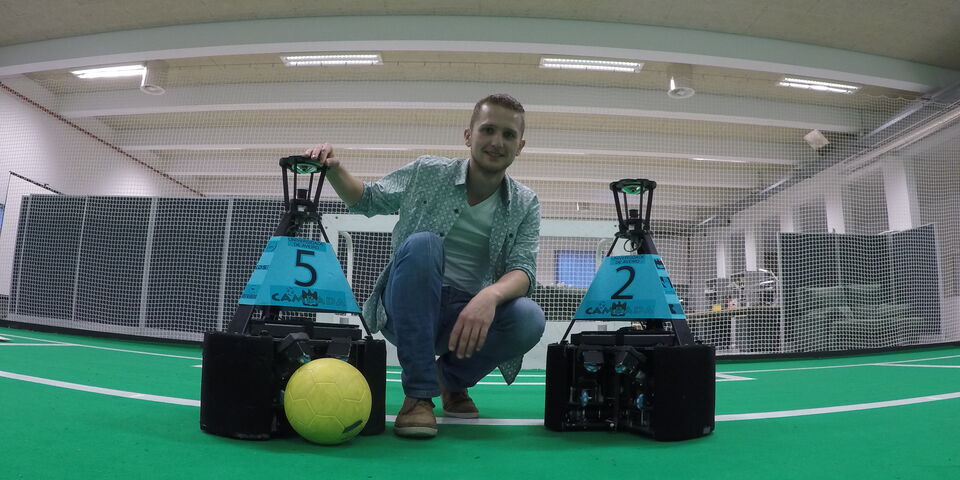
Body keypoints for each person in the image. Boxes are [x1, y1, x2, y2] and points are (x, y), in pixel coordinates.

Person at [304, 93, 545, 439]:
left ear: (520, 146)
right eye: (488, 130)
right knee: (423, 243)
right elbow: (368, 198)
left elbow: (524, 269)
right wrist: (335, 168)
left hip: (466, 317)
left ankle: (451, 383)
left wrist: (489, 297)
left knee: (529, 318)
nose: (497, 142)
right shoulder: (427, 171)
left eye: (508, 135)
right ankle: (418, 396)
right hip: (408, 304)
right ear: (468, 135)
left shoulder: (525, 202)